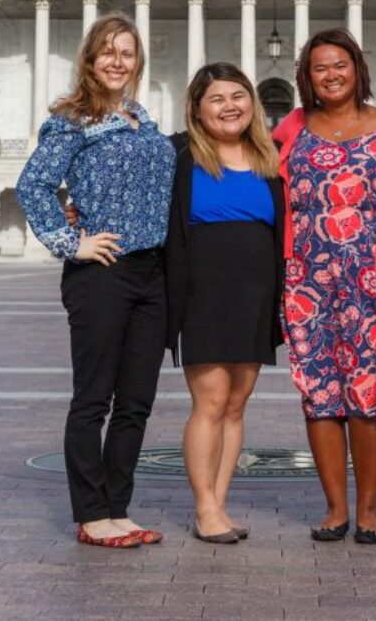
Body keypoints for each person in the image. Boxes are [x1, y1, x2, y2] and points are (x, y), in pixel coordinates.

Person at [16, 14, 175, 550]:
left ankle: (118, 507)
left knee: (136, 401)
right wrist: (70, 241)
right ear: (89, 58)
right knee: (93, 399)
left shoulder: (141, 118)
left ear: (138, 63)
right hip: (101, 272)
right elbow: (34, 185)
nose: (117, 61)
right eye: (107, 52)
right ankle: (91, 513)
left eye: (127, 53)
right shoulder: (71, 121)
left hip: (151, 274)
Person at [274, 27, 376, 545]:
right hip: (305, 278)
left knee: (367, 394)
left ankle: (370, 511)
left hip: (369, 279)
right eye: (319, 68)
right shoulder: (291, 128)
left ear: (358, 68)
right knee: (319, 394)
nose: (330, 75)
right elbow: (250, 174)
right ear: (307, 77)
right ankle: (335, 508)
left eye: (340, 65)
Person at [164, 64, 285, 543]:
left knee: (236, 405)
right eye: (216, 98)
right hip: (204, 290)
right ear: (197, 107)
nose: (229, 106)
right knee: (210, 402)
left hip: (255, 290)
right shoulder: (179, 155)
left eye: (238, 95)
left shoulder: (268, 157)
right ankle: (204, 507)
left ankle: (220, 502)